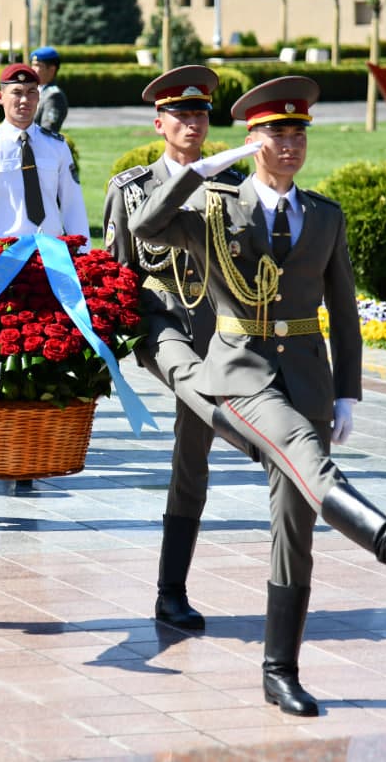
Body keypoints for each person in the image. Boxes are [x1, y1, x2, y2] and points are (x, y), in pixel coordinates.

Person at [128, 75, 386, 718]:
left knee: (294, 524)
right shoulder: (215, 207)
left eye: (298, 133)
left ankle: (280, 671)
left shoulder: (324, 216)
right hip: (239, 375)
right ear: (252, 140)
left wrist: (347, 393)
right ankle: (384, 538)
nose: (290, 144)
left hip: (309, 381)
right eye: (276, 133)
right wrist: (198, 172)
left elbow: (344, 313)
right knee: (301, 450)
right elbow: (147, 227)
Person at [103, 65, 247, 630]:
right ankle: (269, 449)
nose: (192, 123)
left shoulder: (233, 188)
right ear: (159, 122)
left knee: (193, 459)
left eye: (200, 113)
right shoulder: (132, 189)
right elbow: (118, 274)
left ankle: (171, 592)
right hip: (159, 328)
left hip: (217, 334)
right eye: (180, 115)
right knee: (197, 390)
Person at [0, 63, 86, 246]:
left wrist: (83, 253)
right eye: (17, 93)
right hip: (2, 257)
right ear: (1, 97)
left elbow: (73, 204)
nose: (25, 100)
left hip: (51, 254)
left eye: (31, 92)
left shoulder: (56, 146)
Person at [30, 46, 67, 134]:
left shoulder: (54, 96)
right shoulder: (35, 90)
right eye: (32, 65)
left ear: (51, 69)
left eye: (38, 65)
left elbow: (48, 131)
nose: (33, 69)